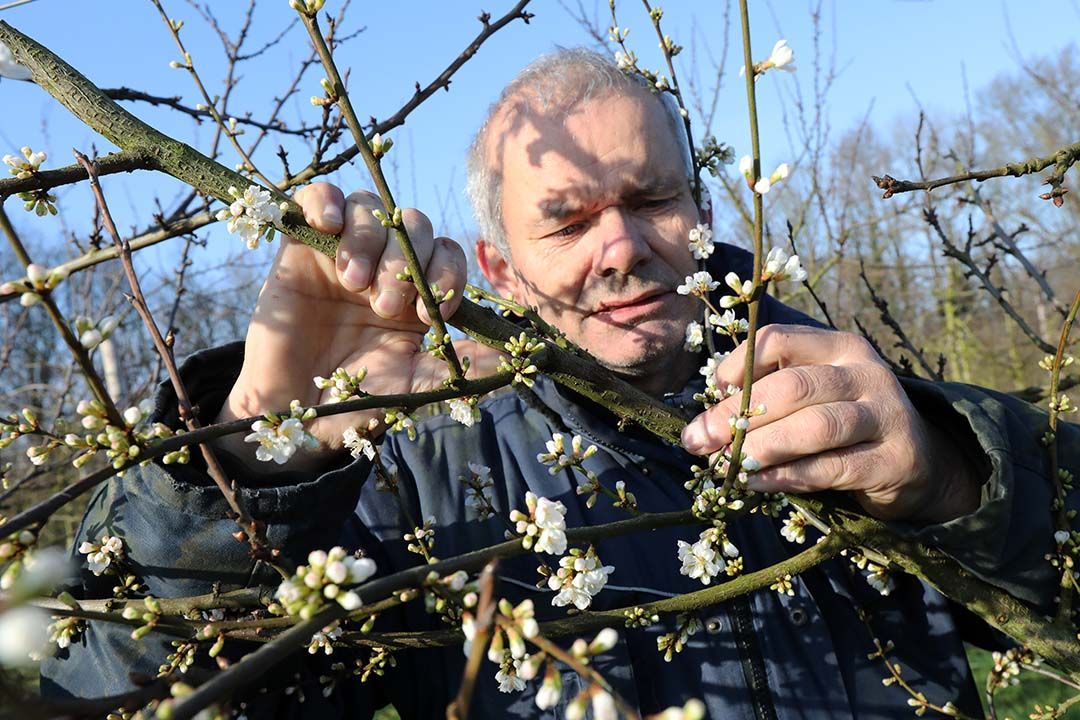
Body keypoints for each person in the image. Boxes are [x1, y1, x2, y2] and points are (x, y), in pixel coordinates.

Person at [42, 49, 1075, 719]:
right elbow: (129, 692)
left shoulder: (842, 394)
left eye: (652, 198)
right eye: (567, 220)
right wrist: (260, 456)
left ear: (700, 208)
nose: (620, 248)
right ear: (498, 269)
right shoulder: (413, 481)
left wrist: (951, 477)